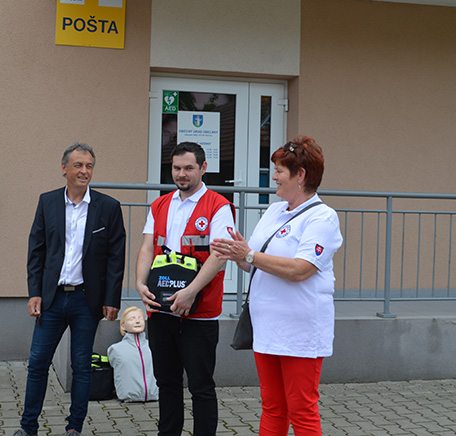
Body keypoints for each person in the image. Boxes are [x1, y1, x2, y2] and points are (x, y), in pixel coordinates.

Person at [211, 135, 343, 436]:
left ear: (301, 175)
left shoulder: (323, 217)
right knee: (272, 406)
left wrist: (250, 255)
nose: (274, 177)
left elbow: (300, 270)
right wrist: (238, 255)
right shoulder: (274, 211)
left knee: (301, 409)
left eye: (280, 170)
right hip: (267, 325)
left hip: (300, 329)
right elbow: (254, 263)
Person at [14, 142, 126, 436]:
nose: (84, 171)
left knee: (82, 366)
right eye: (78, 165)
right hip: (51, 299)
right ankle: (28, 427)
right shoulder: (47, 202)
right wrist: (34, 292)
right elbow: (36, 250)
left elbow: (116, 258)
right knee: (38, 364)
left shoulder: (108, 207)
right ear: (64, 168)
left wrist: (112, 299)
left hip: (86, 301)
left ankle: (74, 427)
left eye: (89, 166)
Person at [135, 141, 236, 436]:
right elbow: (147, 248)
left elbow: (219, 255)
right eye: (176, 168)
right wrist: (140, 283)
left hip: (200, 312)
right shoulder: (160, 204)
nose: (181, 174)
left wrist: (191, 291)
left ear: (203, 168)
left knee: (201, 386)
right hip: (161, 308)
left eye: (188, 168)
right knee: (166, 382)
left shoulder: (218, 206)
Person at [107, 306, 159, 402]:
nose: (137, 321)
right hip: (127, 396)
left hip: (154, 395)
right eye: (132, 319)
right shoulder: (115, 349)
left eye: (140, 318)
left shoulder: (154, 346)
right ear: (123, 326)